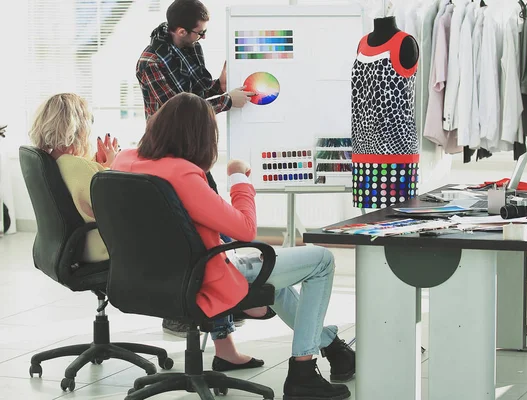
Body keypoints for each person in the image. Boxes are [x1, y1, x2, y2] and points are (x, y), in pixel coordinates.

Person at [112, 93, 355, 400]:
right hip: (203, 279)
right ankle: (303, 373)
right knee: (321, 260)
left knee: (274, 278)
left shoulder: (125, 161)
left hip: (147, 280)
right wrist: (238, 177)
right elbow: (244, 229)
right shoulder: (182, 175)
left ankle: (332, 347)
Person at [136, 0, 255, 337]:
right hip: (168, 157)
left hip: (194, 152)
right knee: (185, 237)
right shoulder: (150, 62)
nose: (202, 38)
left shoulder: (191, 48)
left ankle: (223, 305)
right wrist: (228, 100)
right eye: (199, 32)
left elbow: (200, 93)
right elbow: (180, 110)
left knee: (215, 232)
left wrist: (219, 85)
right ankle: (181, 312)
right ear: (180, 30)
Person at [28, 93, 119, 262]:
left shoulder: (52, 162)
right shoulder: (78, 167)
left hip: (75, 245)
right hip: (99, 247)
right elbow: (116, 209)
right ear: (78, 128)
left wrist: (100, 167)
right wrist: (112, 167)